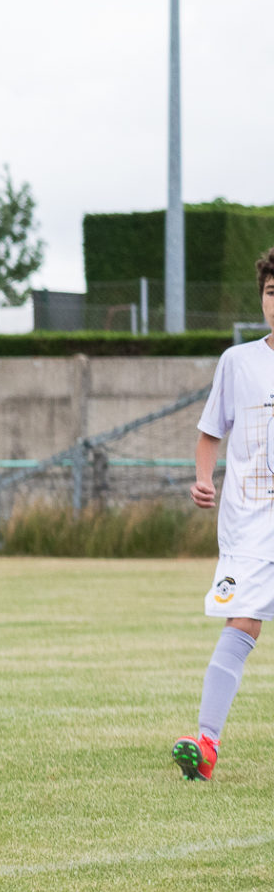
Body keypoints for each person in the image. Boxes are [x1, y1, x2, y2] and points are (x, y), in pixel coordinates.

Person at [179, 258, 274, 781]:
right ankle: (206, 744)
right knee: (243, 622)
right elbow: (211, 432)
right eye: (271, 291)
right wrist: (203, 478)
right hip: (251, 525)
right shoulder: (238, 362)